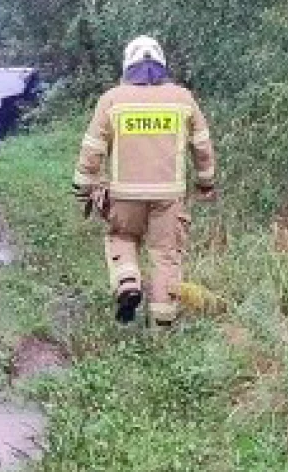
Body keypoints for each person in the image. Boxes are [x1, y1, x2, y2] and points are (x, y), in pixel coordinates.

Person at [72, 36, 217, 327]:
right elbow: (202, 146)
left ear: (128, 64)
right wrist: (206, 182)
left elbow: (93, 148)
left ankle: (127, 283)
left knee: (121, 238)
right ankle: (162, 324)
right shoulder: (182, 98)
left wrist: (83, 186)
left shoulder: (112, 99)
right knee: (165, 255)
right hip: (169, 195)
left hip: (124, 194)